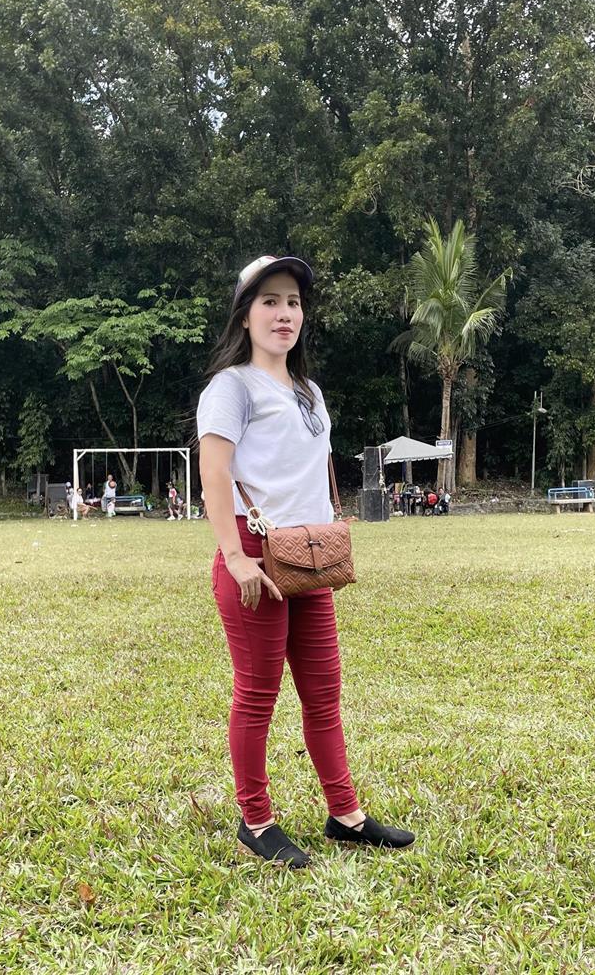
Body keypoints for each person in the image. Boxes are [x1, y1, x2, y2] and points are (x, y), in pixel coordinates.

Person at [197, 253, 415, 870]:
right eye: (269, 301)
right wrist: (235, 558)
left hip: (309, 555)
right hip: (255, 556)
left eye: (292, 302)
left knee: (324, 694)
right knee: (257, 694)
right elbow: (214, 476)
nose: (283, 314)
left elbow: (311, 471)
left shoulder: (310, 392)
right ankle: (256, 821)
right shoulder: (231, 388)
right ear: (245, 316)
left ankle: (345, 815)